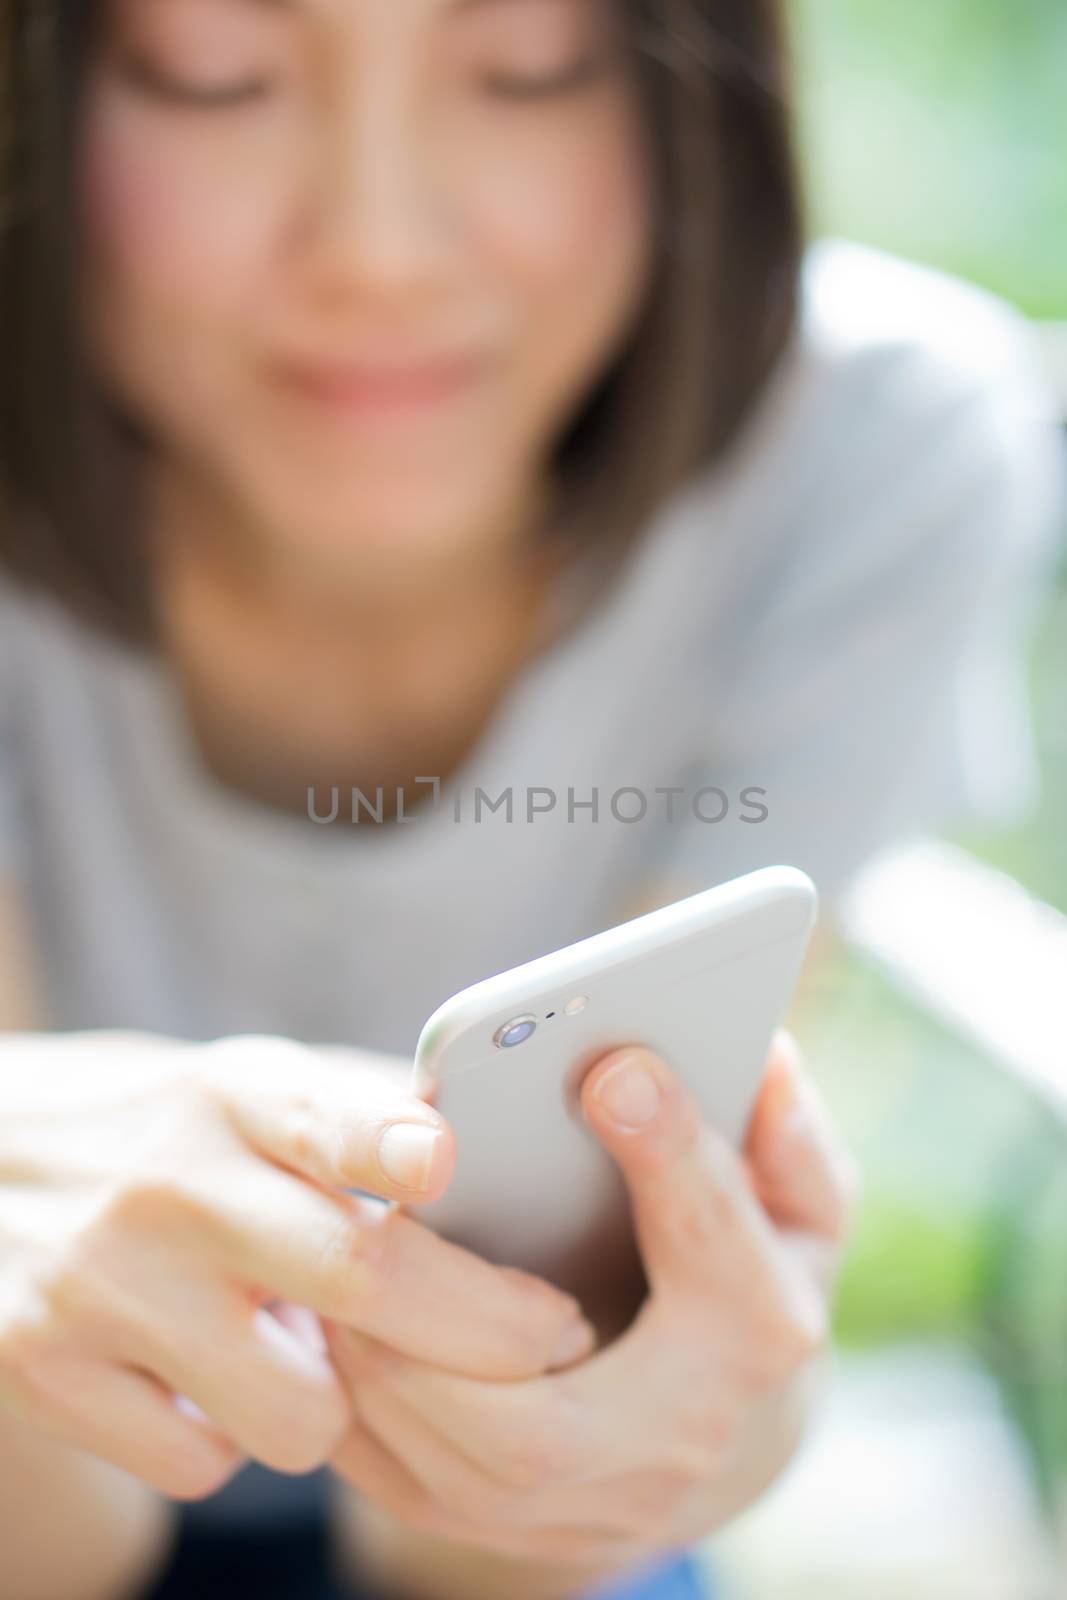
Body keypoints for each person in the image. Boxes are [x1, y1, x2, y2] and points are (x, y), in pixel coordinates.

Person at [0, 2, 1062, 1598]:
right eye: (213, 73)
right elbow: (63, 1539)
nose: (379, 247)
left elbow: (517, 1475)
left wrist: (652, 1425)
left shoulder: (876, 451)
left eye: (527, 64)